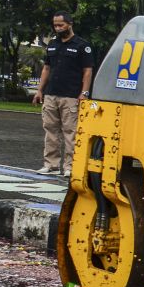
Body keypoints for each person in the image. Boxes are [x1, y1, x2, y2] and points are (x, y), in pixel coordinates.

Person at [32, 12, 94, 177]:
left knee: (70, 132)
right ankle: (51, 165)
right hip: (51, 93)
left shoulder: (82, 45)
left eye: (61, 25)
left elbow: (87, 71)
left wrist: (84, 93)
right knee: (50, 130)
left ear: (70, 24)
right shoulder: (52, 44)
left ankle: (70, 167)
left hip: (71, 95)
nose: (58, 28)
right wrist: (39, 90)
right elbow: (46, 68)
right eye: (55, 25)